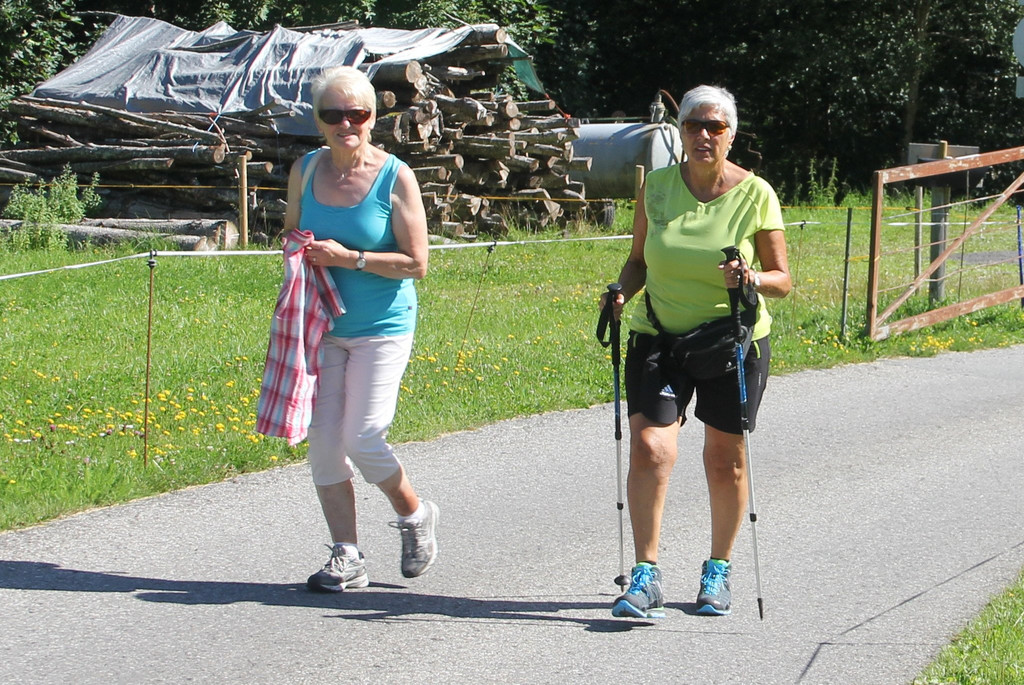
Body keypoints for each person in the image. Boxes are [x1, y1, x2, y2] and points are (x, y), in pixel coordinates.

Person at [601, 85, 791, 618]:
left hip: (732, 341)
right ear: (680, 131)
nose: (703, 135)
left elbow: (782, 279)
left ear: (731, 134)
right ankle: (645, 576)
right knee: (650, 447)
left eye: (715, 126)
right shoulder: (657, 188)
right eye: (693, 125)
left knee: (724, 458)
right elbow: (638, 261)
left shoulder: (756, 194)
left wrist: (750, 277)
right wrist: (621, 292)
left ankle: (718, 568)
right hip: (660, 335)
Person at [282, 65, 438, 592]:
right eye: (334, 114)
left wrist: (348, 258)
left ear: (373, 118)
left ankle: (414, 513)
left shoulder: (396, 176)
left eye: (357, 113)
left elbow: (417, 263)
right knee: (324, 443)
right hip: (321, 324)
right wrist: (299, 253)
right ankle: (347, 555)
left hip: (382, 324)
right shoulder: (305, 169)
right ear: (318, 121)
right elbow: (291, 232)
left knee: (363, 436)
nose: (346, 123)